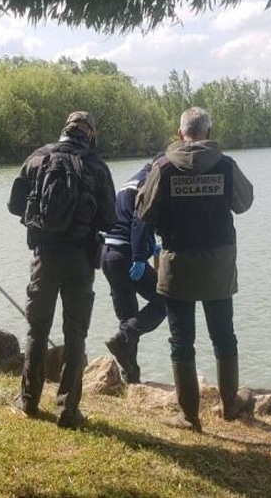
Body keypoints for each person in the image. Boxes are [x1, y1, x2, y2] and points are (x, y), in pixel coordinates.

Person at [136, 107, 254, 432]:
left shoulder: (162, 167)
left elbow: (142, 210)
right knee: (223, 335)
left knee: (181, 339)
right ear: (209, 132)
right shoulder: (226, 165)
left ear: (179, 134)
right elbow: (244, 203)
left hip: (178, 264)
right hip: (218, 264)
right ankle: (230, 405)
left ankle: (189, 416)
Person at [8, 111, 116, 429]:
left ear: (64, 130)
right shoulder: (96, 165)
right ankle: (68, 410)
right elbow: (110, 219)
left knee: (37, 329)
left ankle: (28, 401)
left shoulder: (38, 157)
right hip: (81, 259)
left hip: (44, 256)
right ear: (90, 135)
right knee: (75, 333)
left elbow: (15, 205)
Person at [101, 157, 167, 384]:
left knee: (128, 316)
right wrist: (139, 256)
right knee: (164, 301)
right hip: (127, 255)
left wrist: (150, 246)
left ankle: (131, 375)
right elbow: (140, 221)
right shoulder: (147, 184)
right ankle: (124, 337)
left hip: (109, 255)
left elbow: (121, 219)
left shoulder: (128, 182)